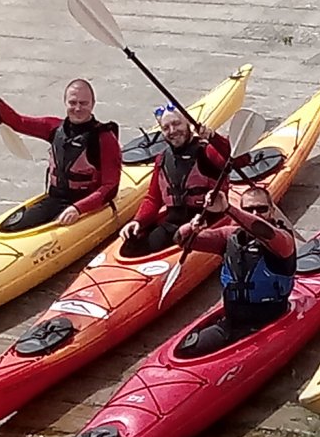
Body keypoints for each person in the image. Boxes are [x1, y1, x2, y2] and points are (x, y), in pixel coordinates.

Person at [0, 79, 121, 232]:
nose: (78, 108)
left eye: (83, 103)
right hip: (56, 199)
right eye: (72, 103)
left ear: (93, 104)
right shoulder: (53, 127)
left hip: (89, 203)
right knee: (11, 227)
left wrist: (78, 208)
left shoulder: (104, 138)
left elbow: (110, 186)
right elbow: (18, 122)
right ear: (65, 103)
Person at [172, 185, 297, 357]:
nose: (255, 213)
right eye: (248, 209)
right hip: (233, 322)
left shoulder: (282, 241)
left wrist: (228, 209)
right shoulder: (229, 237)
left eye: (262, 209)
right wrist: (192, 227)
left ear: (272, 211)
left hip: (269, 322)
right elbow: (181, 239)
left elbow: (262, 230)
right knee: (187, 350)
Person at [118, 106, 232, 256]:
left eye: (177, 124)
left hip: (206, 223)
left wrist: (214, 138)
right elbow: (153, 199)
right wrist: (138, 221)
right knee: (132, 249)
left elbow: (237, 160)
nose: (172, 131)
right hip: (172, 224)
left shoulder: (207, 151)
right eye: (166, 127)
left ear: (188, 124)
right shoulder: (162, 159)